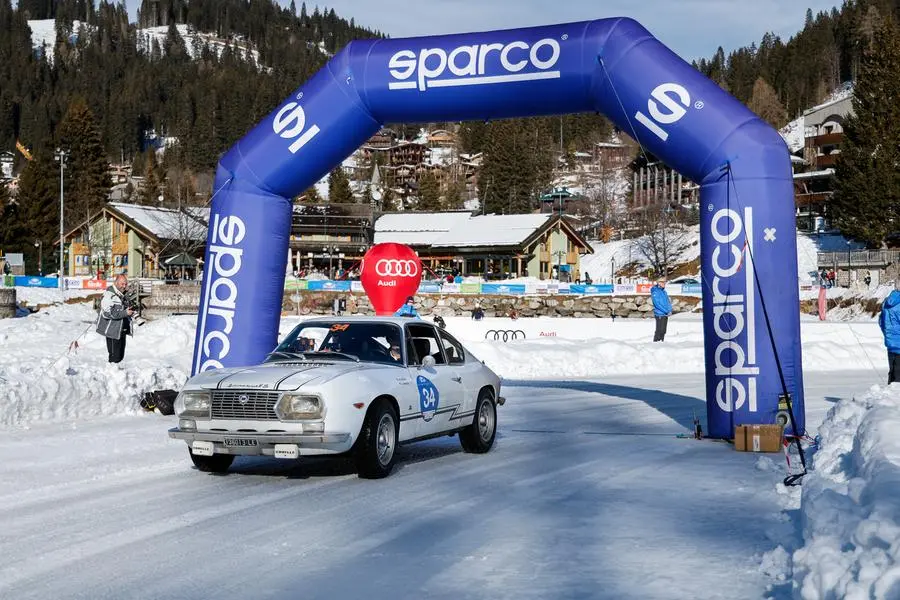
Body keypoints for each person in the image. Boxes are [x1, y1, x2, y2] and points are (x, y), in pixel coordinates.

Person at [96, 274, 134, 363]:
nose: (124, 286)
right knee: (114, 357)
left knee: (120, 356)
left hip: (122, 330)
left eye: (125, 284)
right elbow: (107, 314)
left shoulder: (122, 295)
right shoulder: (109, 295)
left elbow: (123, 310)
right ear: (116, 283)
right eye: (122, 284)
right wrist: (125, 313)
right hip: (112, 331)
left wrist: (129, 312)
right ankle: (111, 374)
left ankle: (118, 375)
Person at [880, 281, 900, 384]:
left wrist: (888, 335)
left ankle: (888, 398)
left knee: (892, 373)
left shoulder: (886, 302)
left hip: (890, 344)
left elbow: (881, 322)